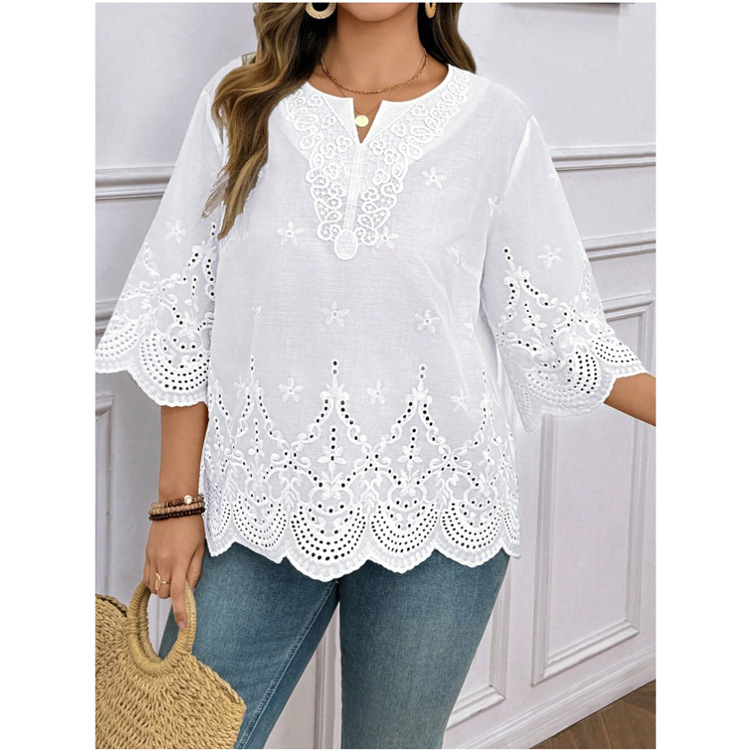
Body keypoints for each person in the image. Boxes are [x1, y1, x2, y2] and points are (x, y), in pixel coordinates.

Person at [95, 3, 656, 748]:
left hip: (441, 514)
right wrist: (176, 506)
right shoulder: (241, 104)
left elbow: (555, 327)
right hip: (255, 505)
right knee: (167, 738)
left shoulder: (497, 124)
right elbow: (183, 308)